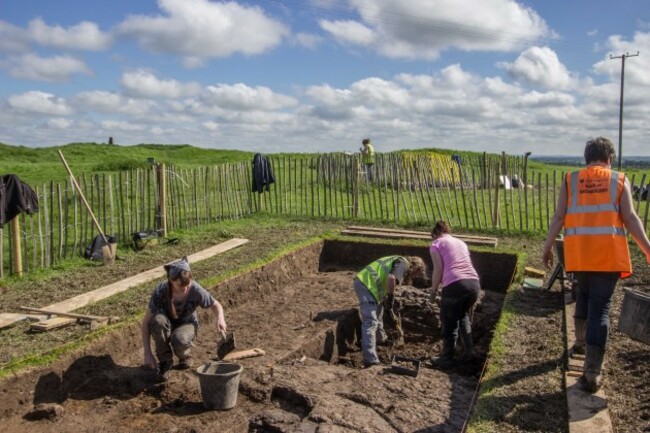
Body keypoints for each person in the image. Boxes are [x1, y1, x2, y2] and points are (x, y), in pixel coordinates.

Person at [543, 137, 650, 393]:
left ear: (586, 158)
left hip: (579, 255)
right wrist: (647, 248)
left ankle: (580, 343)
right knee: (600, 310)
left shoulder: (571, 180)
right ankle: (592, 372)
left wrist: (547, 247)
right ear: (610, 158)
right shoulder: (619, 180)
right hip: (608, 257)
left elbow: (559, 217)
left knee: (583, 294)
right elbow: (631, 218)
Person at [141, 256, 228, 381]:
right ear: (171, 281)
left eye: (187, 285)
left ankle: (184, 356)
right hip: (165, 323)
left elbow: (216, 305)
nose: (185, 289)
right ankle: (165, 362)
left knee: (180, 339)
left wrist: (220, 318)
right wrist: (147, 353)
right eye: (180, 286)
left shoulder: (195, 289)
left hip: (186, 324)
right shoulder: (161, 291)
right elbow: (145, 323)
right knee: (157, 321)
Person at [354, 255, 427, 367]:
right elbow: (391, 278)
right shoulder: (404, 263)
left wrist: (386, 301)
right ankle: (370, 359)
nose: (413, 276)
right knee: (370, 322)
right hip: (367, 285)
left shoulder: (397, 260)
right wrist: (391, 297)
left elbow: (385, 277)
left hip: (370, 285)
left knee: (379, 313)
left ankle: (380, 338)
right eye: (416, 274)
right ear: (416, 267)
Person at [429, 220, 481, 369]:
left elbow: (438, 269)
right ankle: (470, 351)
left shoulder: (436, 244)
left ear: (435, 234)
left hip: (455, 285)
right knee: (462, 315)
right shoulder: (460, 242)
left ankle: (446, 358)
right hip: (474, 284)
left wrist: (433, 290)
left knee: (448, 320)